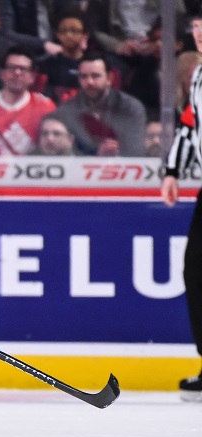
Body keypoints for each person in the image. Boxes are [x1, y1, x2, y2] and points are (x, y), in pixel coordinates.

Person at [161, 8, 202, 402]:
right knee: (196, 270)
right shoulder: (200, 78)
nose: (200, 34)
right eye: (195, 29)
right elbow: (191, 126)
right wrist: (173, 170)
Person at [0, 46, 56, 155]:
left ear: (32, 76)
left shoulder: (45, 107)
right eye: (12, 68)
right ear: (2, 73)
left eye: (23, 69)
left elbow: (54, 149)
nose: (17, 73)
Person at [53, 51, 146, 156]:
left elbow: (136, 151)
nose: (89, 82)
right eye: (84, 76)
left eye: (95, 76)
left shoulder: (130, 108)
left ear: (109, 78)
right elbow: (64, 153)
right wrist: (96, 155)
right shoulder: (68, 110)